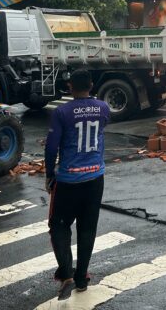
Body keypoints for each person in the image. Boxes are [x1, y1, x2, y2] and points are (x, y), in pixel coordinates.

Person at [45, 68, 110, 300]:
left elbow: (51, 147)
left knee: (59, 225)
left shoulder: (61, 112)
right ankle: (82, 277)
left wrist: (49, 174)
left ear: (70, 86)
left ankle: (66, 274)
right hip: (95, 177)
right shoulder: (103, 108)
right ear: (91, 85)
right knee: (87, 228)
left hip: (68, 180)